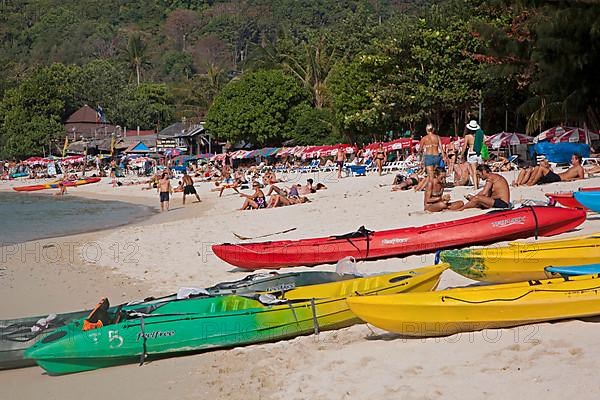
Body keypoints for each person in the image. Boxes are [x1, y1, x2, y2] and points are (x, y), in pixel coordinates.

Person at [461, 120, 484, 190]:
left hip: (471, 154)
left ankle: (476, 186)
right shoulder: (480, 135)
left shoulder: (467, 136)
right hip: (479, 154)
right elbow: (483, 144)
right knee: (479, 170)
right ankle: (478, 183)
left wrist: (461, 154)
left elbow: (464, 147)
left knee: (474, 171)